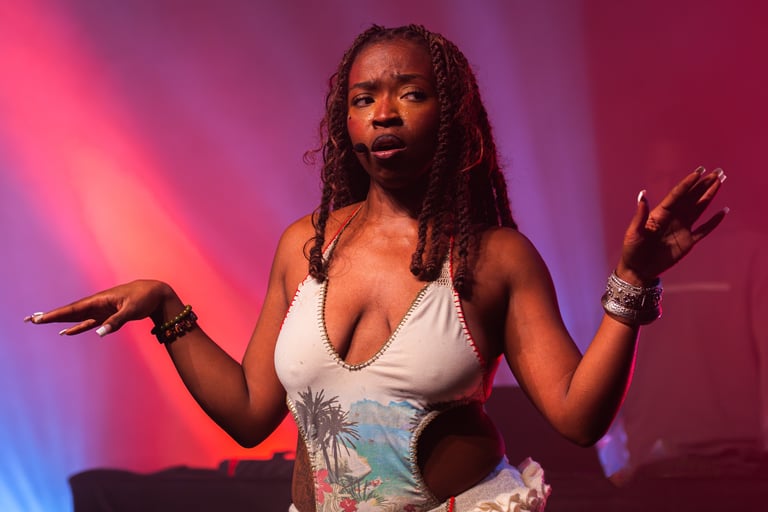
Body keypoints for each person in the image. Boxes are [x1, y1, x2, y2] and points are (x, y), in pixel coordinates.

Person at [25, 25, 727, 512]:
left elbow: (578, 417)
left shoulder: (493, 256)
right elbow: (248, 413)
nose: (384, 113)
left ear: (452, 116)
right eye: (364, 99)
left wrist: (634, 281)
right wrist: (165, 306)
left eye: (410, 94)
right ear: (346, 122)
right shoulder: (305, 247)